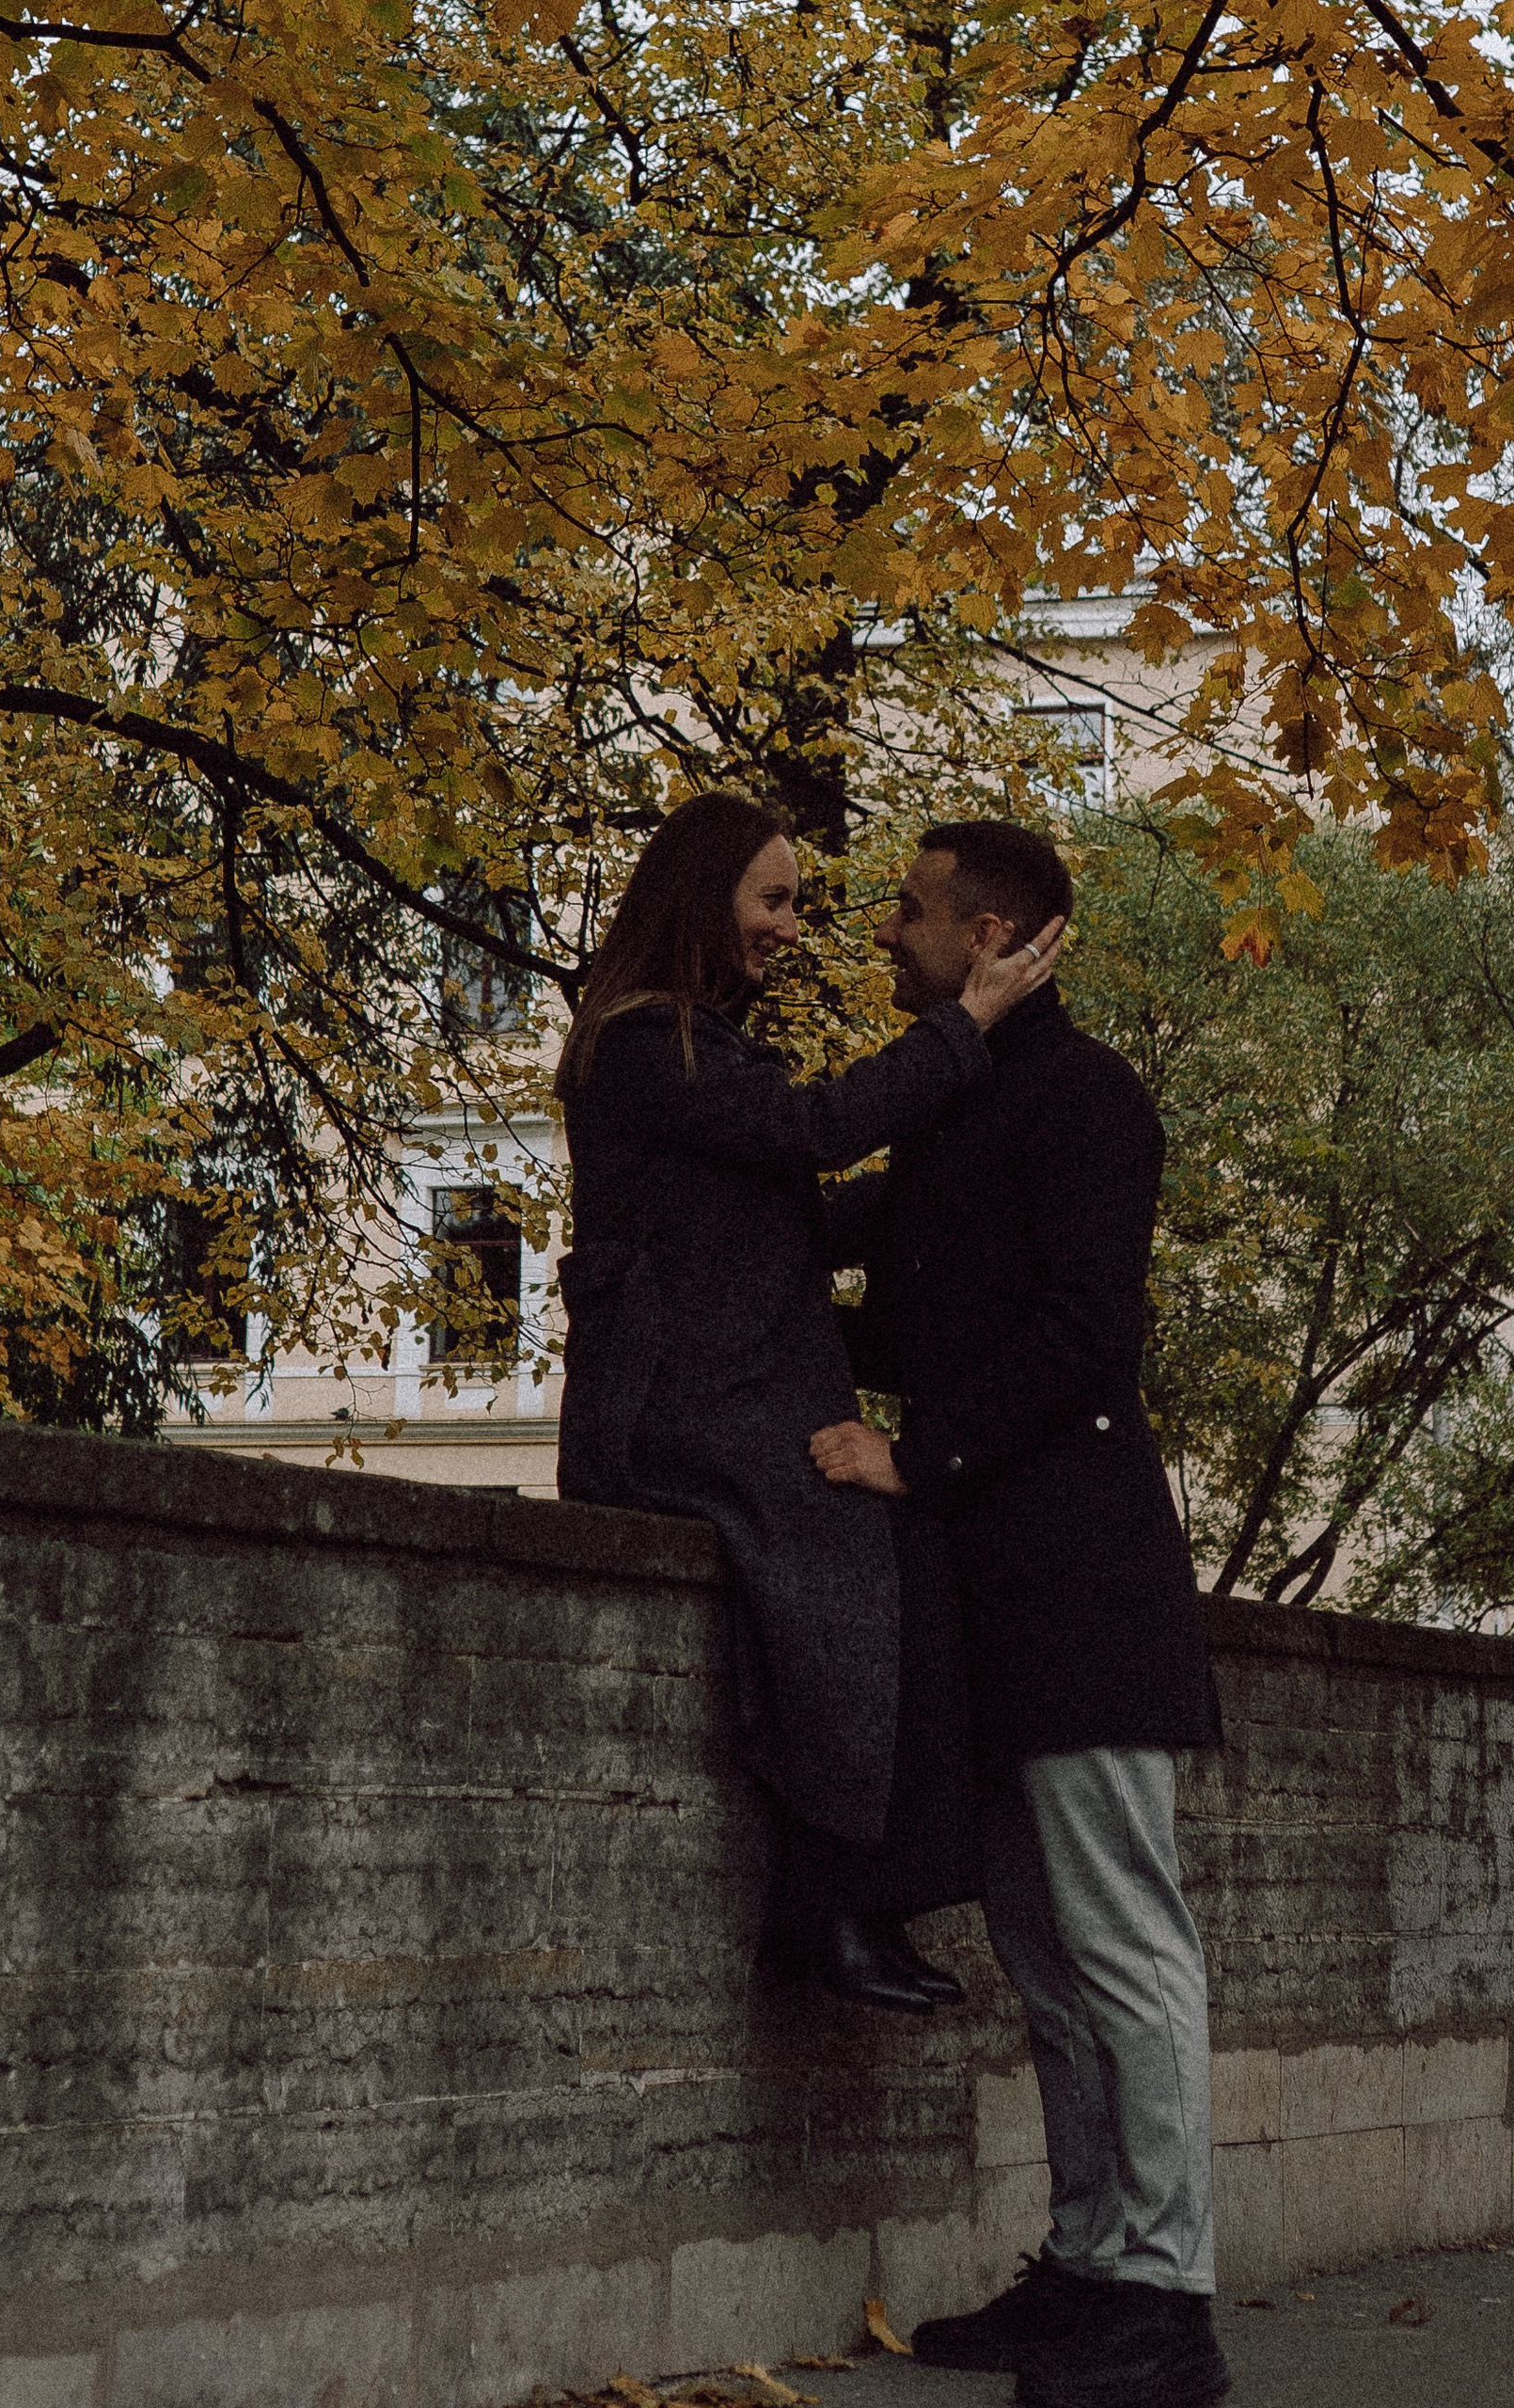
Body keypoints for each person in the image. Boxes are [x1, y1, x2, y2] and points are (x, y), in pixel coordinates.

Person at [812, 817, 1228, 2408]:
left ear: (989, 931)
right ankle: (1089, 2266)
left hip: (1084, 1589)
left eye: (910, 912)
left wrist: (917, 1455)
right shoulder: (959, 1101)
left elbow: (1081, 1339)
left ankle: (1168, 2301)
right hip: (988, 1599)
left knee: (1128, 1947)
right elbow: (902, 1297)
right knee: (1048, 1961)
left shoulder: (1088, 1096)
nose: (886, 932)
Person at [555, 789, 1063, 2014]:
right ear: (702, 898)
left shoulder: (693, 1049)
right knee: (852, 1549)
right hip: (677, 1411)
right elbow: (815, 1133)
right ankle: (832, 1914)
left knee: (898, 1550)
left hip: (721, 1391)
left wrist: (950, 1171)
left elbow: (789, 1209)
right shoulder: (640, 1041)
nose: (792, 929)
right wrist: (970, 1031)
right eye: (773, 901)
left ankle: (848, 1906)